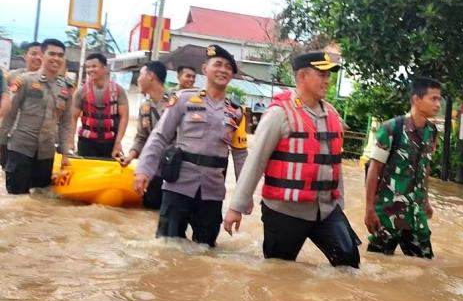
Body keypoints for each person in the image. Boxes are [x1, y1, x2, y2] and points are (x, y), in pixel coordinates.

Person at [224, 51, 361, 268]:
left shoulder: (332, 115)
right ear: (302, 77)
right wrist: (236, 207)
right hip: (285, 210)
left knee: (349, 262)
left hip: (325, 209)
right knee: (278, 270)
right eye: (321, 74)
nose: (327, 80)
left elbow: (333, 163)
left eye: (328, 75)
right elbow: (256, 162)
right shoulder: (279, 114)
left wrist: (339, 203)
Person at [134, 45, 247, 246]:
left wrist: (242, 198)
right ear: (205, 69)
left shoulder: (236, 112)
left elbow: (240, 156)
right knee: (167, 246)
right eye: (218, 64)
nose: (223, 70)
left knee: (206, 250)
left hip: (212, 191)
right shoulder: (183, 99)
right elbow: (159, 136)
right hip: (178, 186)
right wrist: (144, 171)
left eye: (228, 67)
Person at [364, 77, 441, 259]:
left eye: (439, 99)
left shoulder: (432, 132)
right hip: (388, 214)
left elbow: (425, 168)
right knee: (376, 264)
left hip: (416, 215)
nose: (438, 104)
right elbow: (374, 170)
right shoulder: (392, 128)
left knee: (424, 267)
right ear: (416, 99)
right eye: (433, 98)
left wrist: (426, 200)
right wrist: (369, 209)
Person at [2, 39, 72, 194]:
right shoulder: (24, 80)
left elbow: (66, 123)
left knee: (40, 197)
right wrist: (1, 142)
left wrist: (65, 153)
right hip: (20, 148)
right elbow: (9, 113)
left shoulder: (65, 89)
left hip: (46, 153)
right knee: (17, 198)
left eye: (60, 55)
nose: (56, 58)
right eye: (52, 54)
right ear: (42, 55)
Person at [120, 61, 170, 209]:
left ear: (151, 76)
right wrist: (130, 156)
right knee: (149, 212)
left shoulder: (175, 102)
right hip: (152, 172)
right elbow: (142, 137)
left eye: (140, 75)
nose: (137, 79)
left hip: (173, 173)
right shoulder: (145, 107)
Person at [70, 53, 129, 158]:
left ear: (104, 68)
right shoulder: (81, 92)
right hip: (86, 143)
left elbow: (124, 117)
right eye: (88, 67)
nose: (90, 70)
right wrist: (70, 141)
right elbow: (72, 117)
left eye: (94, 66)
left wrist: (118, 143)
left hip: (110, 142)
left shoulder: (118, 91)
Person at [1, 42, 43, 168]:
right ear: (25, 56)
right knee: (8, 169)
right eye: (33, 54)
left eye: (41, 54)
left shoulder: (49, 80)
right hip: (9, 131)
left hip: (33, 135)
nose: (37, 57)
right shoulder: (12, 76)